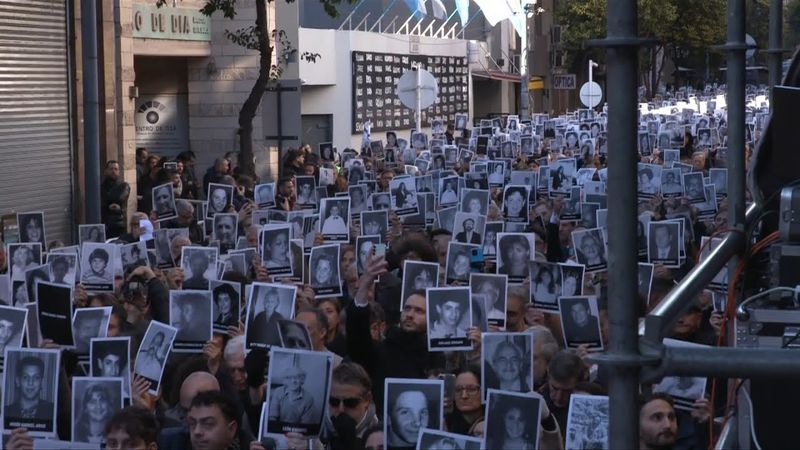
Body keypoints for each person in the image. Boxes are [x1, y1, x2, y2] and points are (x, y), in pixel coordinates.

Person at [6, 356, 54, 421]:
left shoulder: (52, 410)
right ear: (18, 381)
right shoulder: (6, 411)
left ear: (42, 382)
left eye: (36, 377)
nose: (30, 383)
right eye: (25, 377)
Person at [101, 160, 131, 238]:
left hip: (119, 225)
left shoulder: (124, 186)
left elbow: (120, 198)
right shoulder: (101, 187)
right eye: (111, 169)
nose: (113, 171)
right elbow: (101, 202)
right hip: (105, 225)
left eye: (115, 169)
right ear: (106, 171)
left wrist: (107, 201)